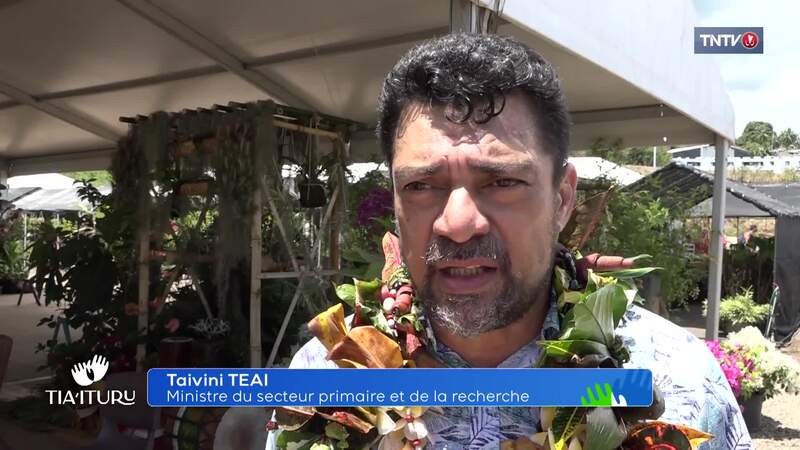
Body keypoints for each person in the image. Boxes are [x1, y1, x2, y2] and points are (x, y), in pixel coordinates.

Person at [279, 33, 751, 449]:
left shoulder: (676, 382)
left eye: (502, 182)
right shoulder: (326, 380)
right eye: (421, 185)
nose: (457, 223)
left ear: (562, 199)